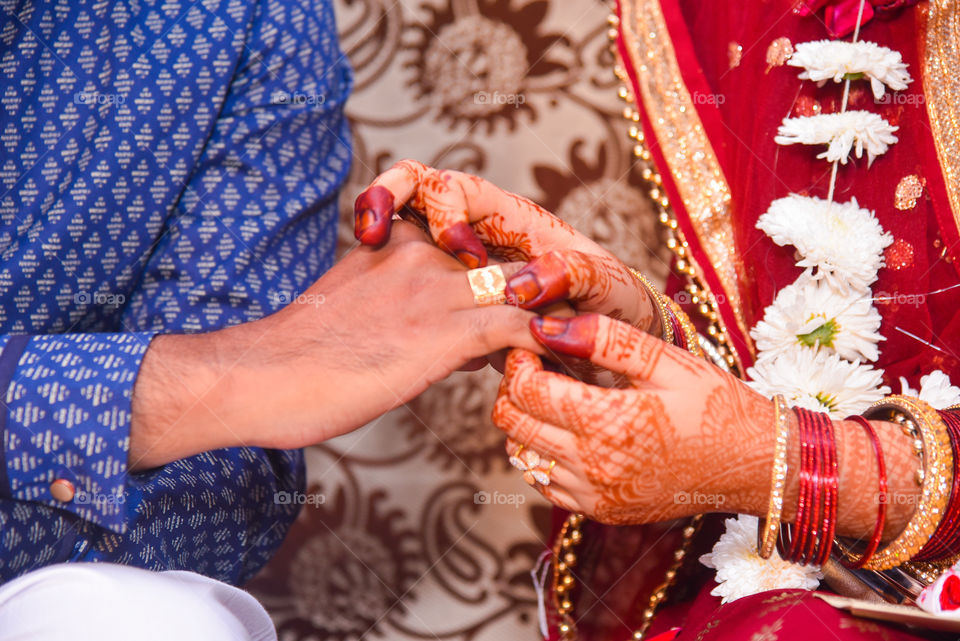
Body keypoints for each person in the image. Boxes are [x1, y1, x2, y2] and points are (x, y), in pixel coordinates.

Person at [356, 0, 960, 639]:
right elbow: (763, 353)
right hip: (793, 580)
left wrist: (785, 461)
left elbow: (764, 441)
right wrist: (622, 322)